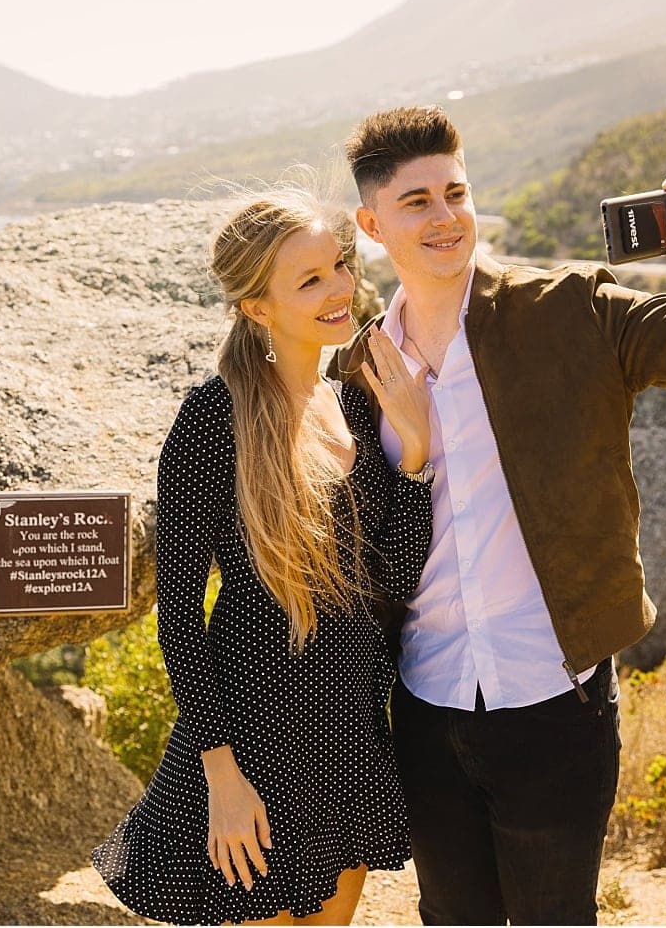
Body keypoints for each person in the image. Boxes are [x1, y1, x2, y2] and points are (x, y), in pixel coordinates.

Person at [330, 106, 666, 925]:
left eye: (456, 193)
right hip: (425, 705)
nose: (445, 217)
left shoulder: (569, 311)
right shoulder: (358, 368)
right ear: (373, 225)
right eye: (416, 202)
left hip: (555, 699)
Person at [93, 187, 437, 926]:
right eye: (309, 280)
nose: (339, 288)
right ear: (257, 308)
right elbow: (179, 619)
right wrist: (222, 778)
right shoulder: (211, 421)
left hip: (346, 734)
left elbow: (391, 583)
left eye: (338, 265)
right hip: (249, 744)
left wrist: (414, 454)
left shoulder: (355, 405)